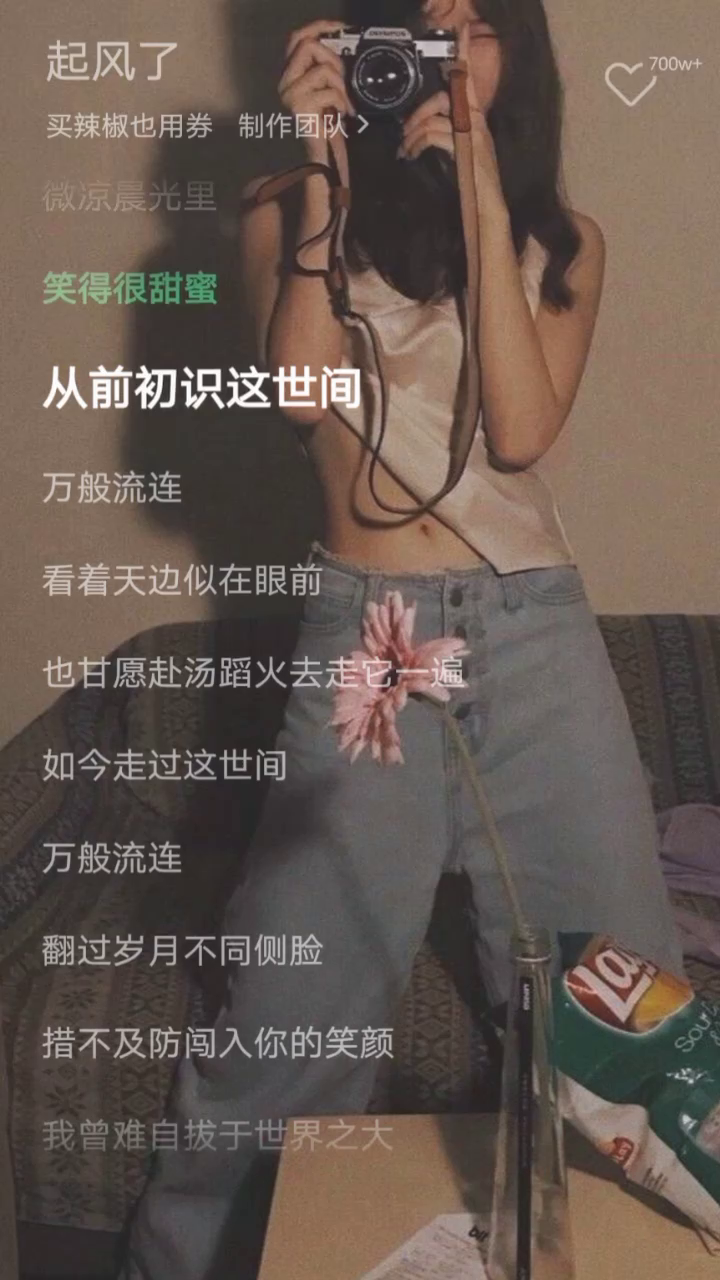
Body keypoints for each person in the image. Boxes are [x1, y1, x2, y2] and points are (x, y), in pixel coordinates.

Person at [121, 2, 684, 1276]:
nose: (452, 54)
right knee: (286, 1020)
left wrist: (479, 185)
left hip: (535, 636)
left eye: (479, 25)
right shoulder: (285, 208)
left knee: (622, 1016)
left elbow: (521, 433)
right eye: (425, 28)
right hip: (371, 635)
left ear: (514, 55)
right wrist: (326, 170)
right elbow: (297, 392)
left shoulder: (563, 241)